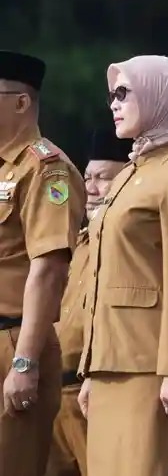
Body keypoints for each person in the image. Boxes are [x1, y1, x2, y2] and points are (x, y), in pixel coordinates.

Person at [77, 55, 168, 476]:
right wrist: (90, 366)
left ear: (159, 95)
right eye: (111, 96)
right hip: (111, 362)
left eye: (124, 93)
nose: (114, 104)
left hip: (153, 364)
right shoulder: (128, 174)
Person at [0, 51, 85, 476]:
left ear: (21, 102)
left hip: (14, 340)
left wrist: (25, 362)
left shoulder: (46, 169)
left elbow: (48, 269)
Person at [45, 128, 130, 476]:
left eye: (103, 178)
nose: (91, 189)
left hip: (96, 393)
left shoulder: (132, 246)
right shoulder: (76, 244)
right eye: (88, 177)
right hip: (53, 395)